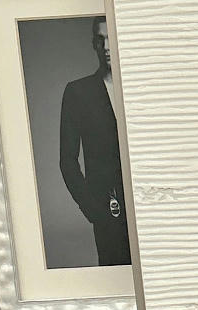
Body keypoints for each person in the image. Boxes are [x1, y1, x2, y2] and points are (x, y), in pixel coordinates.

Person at [58, 17, 132, 268]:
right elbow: (67, 161)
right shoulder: (78, 92)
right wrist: (93, 211)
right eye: (101, 40)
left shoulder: (144, 87)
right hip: (109, 212)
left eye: (111, 38)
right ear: (94, 44)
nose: (107, 46)